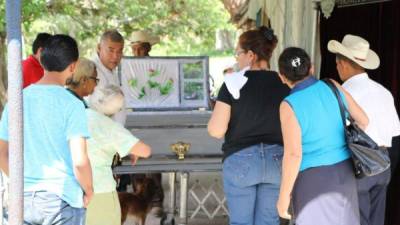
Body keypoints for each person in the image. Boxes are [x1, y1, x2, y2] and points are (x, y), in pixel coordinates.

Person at [0, 34, 93, 224]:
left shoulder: (17, 100)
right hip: (61, 200)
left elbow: (2, 153)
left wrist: (21, 183)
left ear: (42, 61)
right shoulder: (72, 104)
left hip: (23, 201)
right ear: (73, 66)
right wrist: (89, 190)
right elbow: (80, 161)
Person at [276, 47, 369, 225]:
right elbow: (363, 121)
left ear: (282, 76)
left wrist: (283, 198)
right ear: (311, 68)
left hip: (312, 179)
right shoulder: (332, 86)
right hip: (345, 171)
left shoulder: (289, 105)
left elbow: (294, 155)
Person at [208, 26, 290, 225]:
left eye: (239, 53)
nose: (237, 58)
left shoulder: (232, 83)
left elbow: (217, 130)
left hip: (240, 159)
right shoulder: (286, 83)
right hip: (277, 160)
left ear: (251, 55)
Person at [328, 34, 400, 225]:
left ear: (342, 63)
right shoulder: (385, 93)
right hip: (383, 165)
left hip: (356, 166)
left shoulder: (344, 94)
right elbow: (395, 135)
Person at [66, 64, 152, 224]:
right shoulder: (109, 126)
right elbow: (145, 150)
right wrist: (128, 148)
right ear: (116, 109)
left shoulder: (76, 114)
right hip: (100, 192)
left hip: (71, 190)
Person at [93, 29, 126, 125]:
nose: (115, 56)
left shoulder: (110, 70)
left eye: (119, 51)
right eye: (110, 51)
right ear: (99, 48)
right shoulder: (92, 71)